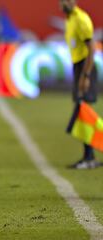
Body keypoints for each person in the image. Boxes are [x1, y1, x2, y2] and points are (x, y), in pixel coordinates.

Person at [60, 0, 102, 169]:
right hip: (79, 66)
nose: (65, 2)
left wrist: (85, 75)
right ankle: (88, 156)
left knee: (84, 111)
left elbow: (92, 48)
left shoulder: (81, 19)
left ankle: (89, 157)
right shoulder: (69, 19)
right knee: (83, 111)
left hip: (86, 67)